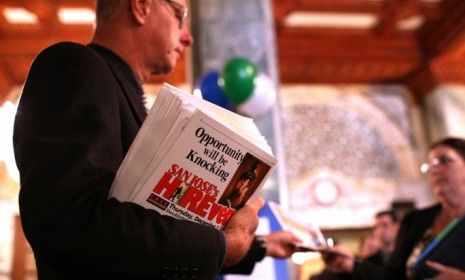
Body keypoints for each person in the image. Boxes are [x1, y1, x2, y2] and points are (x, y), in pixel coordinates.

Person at [13, 0, 299, 278]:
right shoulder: (74, 66)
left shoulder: (125, 96)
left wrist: (257, 247)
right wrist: (224, 246)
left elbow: (148, 236)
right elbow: (72, 225)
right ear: (141, 6)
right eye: (180, 15)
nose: (187, 37)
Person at [324, 137, 465, 279]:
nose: (435, 169)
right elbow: (393, 276)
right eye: (430, 165)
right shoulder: (415, 221)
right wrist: (351, 264)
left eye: (444, 160)